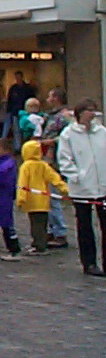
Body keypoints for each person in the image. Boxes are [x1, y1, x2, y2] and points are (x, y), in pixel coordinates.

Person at [57, 98, 106, 276]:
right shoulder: (68, 134)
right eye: (89, 110)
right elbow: (64, 159)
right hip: (81, 188)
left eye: (94, 110)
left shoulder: (101, 132)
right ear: (80, 113)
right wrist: (77, 177)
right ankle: (89, 263)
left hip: (103, 187)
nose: (92, 114)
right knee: (85, 226)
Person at [17, 138, 68, 256]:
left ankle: (39, 246)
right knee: (42, 223)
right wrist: (65, 189)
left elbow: (22, 184)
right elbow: (55, 178)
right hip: (43, 201)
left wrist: (21, 199)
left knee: (36, 225)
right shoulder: (44, 165)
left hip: (31, 201)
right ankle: (40, 243)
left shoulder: (26, 166)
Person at [38, 87, 72, 248]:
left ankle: (60, 232)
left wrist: (52, 142)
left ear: (56, 98)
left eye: (50, 96)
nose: (47, 99)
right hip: (46, 160)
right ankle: (52, 229)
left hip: (56, 160)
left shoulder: (64, 117)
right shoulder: (50, 116)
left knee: (53, 196)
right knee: (47, 196)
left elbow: (70, 135)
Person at [4, 71, 37, 139]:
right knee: (16, 130)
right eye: (16, 77)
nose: (17, 79)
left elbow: (32, 99)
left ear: (22, 77)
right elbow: (9, 100)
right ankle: (17, 146)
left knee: (26, 129)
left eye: (19, 77)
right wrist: (9, 111)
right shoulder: (13, 88)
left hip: (26, 112)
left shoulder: (28, 89)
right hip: (15, 112)